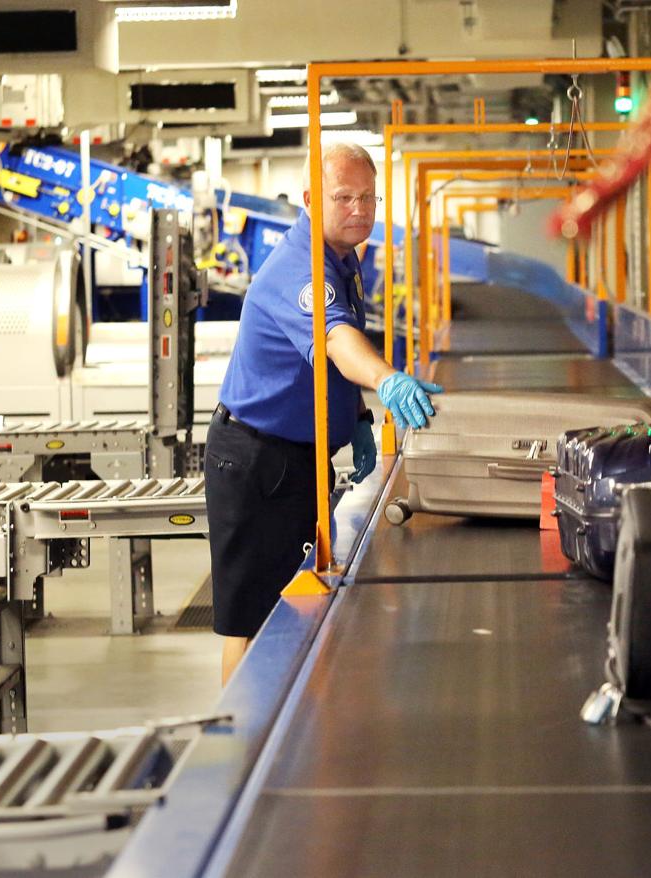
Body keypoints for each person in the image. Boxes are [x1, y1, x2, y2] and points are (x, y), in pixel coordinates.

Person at [205, 142, 442, 684]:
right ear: (311, 199)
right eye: (344, 197)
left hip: (295, 459)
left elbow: (324, 362)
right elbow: (336, 340)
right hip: (255, 464)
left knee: (298, 598)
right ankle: (243, 745)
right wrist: (386, 379)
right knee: (253, 621)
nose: (360, 210)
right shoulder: (301, 267)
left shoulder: (345, 258)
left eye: (369, 198)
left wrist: (355, 415)